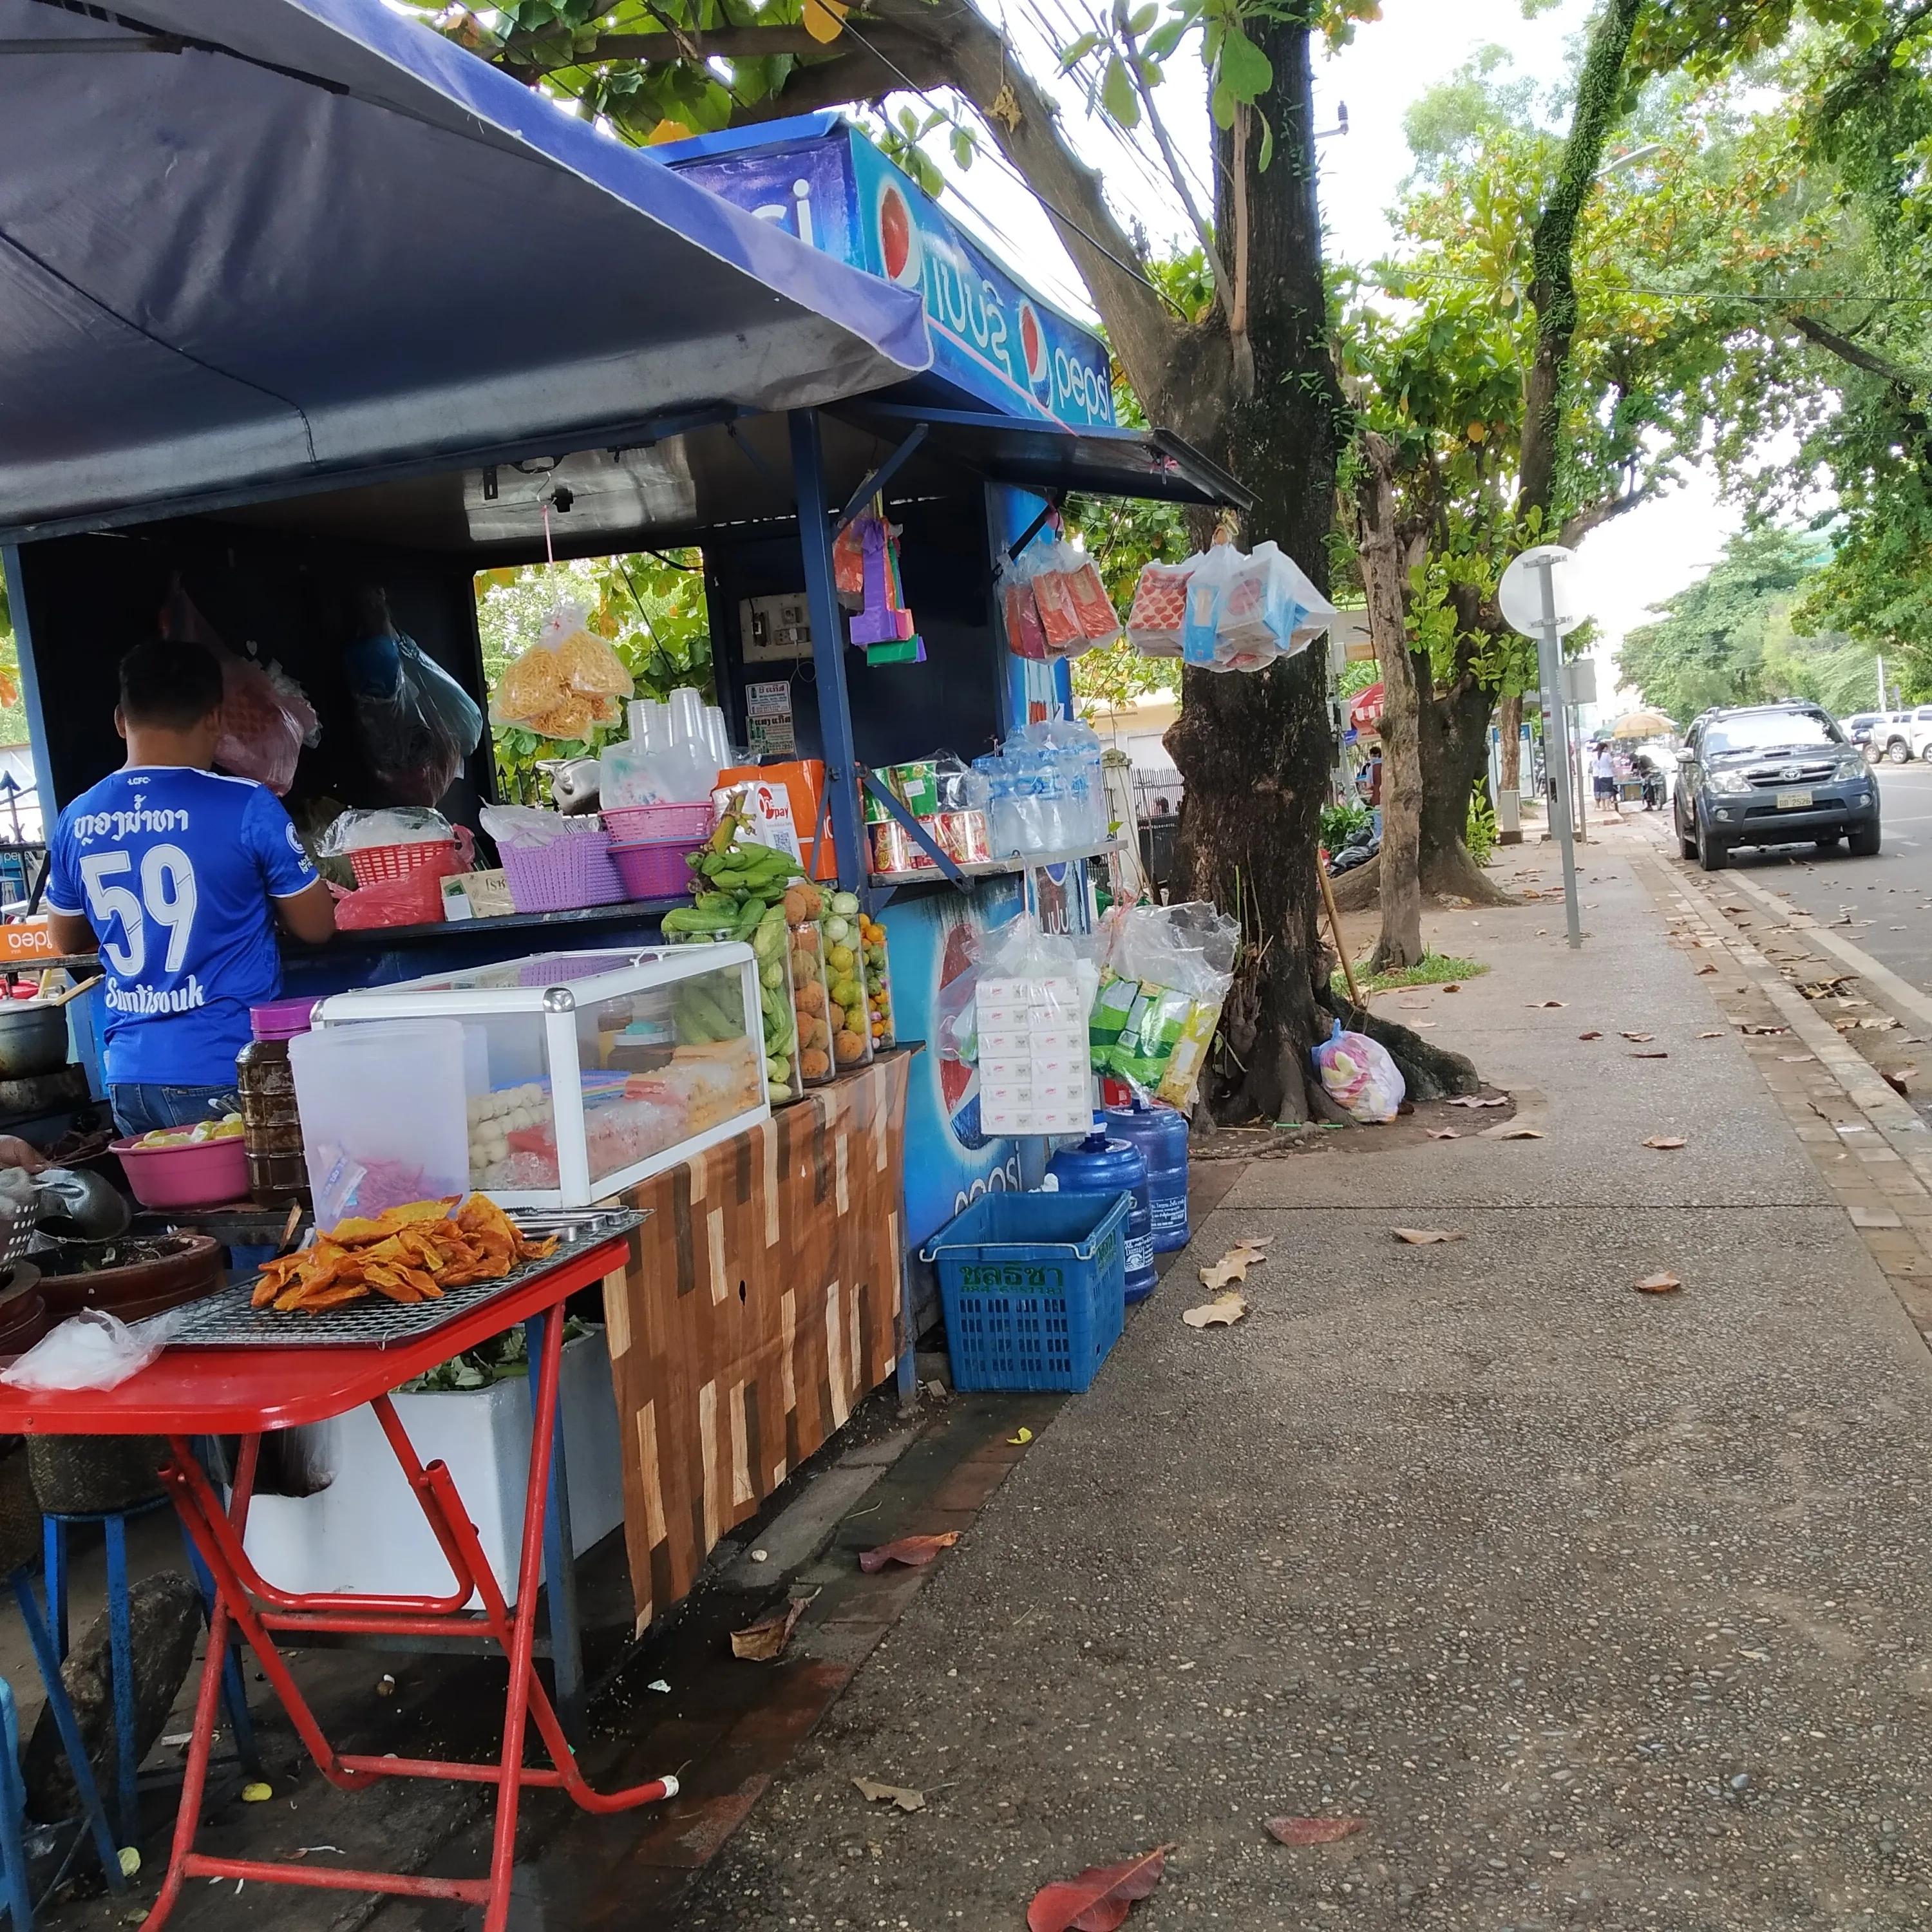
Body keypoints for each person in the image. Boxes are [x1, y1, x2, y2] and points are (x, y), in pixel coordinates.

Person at [43, 637, 337, 1138]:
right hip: (224, 1068)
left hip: (130, 1075)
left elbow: (65, 939)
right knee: (265, 1212)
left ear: (120, 720)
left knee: (176, 1219)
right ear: (215, 720)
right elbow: (316, 929)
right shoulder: (247, 804)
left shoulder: (78, 816)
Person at [1591, 743, 1617, 811]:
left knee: (1602, 791)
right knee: (1608, 791)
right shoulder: (1606, 755)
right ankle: (1608, 807)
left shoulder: (1597, 755)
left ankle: (1603, 807)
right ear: (1604, 748)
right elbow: (1612, 764)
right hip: (1608, 774)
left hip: (1600, 775)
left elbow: (1597, 765)